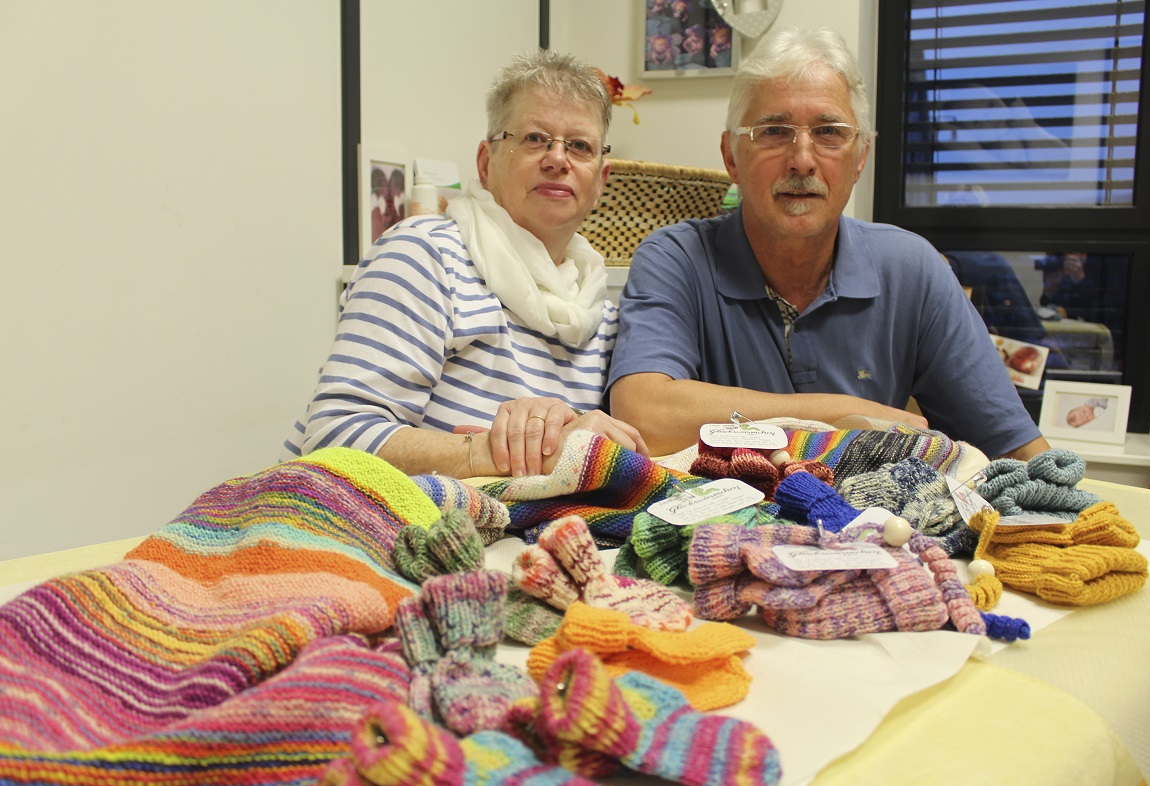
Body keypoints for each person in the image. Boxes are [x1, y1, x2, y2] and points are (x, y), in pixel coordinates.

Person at [607, 27, 1050, 461]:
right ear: (731, 157)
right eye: (775, 131)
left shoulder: (911, 269)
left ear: (860, 158)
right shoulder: (676, 260)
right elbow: (646, 414)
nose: (802, 159)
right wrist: (843, 415)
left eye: (829, 132)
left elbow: (1017, 449)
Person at [283, 50, 645, 478]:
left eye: (580, 146)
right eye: (534, 138)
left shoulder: (603, 314)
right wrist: (514, 453)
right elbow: (333, 437)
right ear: (486, 162)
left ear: (600, 181)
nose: (557, 159)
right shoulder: (425, 255)